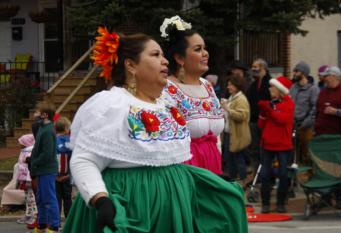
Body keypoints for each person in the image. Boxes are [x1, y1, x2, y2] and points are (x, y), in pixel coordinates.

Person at [62, 27, 247, 233]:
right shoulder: (112, 105)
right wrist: (99, 198)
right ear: (131, 65)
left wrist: (205, 178)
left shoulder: (166, 104)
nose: (165, 60)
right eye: (155, 54)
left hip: (173, 207)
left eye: (162, 54)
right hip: (134, 205)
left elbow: (167, 160)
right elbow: (84, 159)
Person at [160, 15, 224, 175]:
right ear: (180, 58)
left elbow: (217, 138)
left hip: (213, 168)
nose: (205, 53)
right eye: (198, 49)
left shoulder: (208, 86)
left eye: (204, 48)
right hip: (186, 170)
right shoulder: (166, 89)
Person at [312, 66, 341, 209]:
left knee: (336, 168)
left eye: (327, 76)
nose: (324, 78)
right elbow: (316, 111)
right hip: (321, 137)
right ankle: (325, 197)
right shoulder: (322, 93)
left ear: (334, 76)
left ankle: (339, 198)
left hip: (338, 138)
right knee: (322, 168)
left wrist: (336, 112)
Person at [257, 76, 294, 213]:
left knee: (283, 175)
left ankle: (280, 203)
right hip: (268, 145)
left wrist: (270, 110)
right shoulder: (270, 104)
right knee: (265, 175)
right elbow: (261, 125)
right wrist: (263, 113)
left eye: (272, 87)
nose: (269, 89)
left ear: (280, 90)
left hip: (283, 146)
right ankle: (265, 204)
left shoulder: (288, 103)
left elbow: (282, 119)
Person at [28, 101, 60, 233]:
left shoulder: (48, 131)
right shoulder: (42, 127)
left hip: (47, 169)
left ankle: (54, 226)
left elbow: (47, 154)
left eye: (38, 112)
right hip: (41, 169)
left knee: (49, 197)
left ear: (45, 115)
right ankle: (42, 224)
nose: (36, 114)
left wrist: (34, 162)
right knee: (41, 198)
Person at [220, 75, 251, 184]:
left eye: (231, 85)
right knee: (230, 159)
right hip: (230, 133)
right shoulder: (233, 97)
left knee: (238, 159)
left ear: (237, 86)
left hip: (237, 135)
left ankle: (242, 181)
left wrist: (227, 109)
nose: (228, 87)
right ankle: (233, 181)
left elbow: (242, 116)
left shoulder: (241, 99)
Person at [290, 61, 320, 165]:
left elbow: (315, 108)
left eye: (296, 71)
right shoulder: (293, 87)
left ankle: (310, 175)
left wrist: (306, 123)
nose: (294, 73)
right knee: (294, 154)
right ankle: (296, 177)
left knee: (307, 153)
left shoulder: (313, 89)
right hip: (293, 126)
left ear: (303, 73)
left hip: (306, 127)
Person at [246, 58, 271, 173]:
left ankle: (267, 173)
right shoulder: (253, 85)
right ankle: (257, 174)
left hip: (267, 122)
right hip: (253, 122)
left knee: (266, 149)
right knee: (254, 149)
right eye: (252, 66)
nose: (253, 69)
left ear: (263, 68)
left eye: (256, 66)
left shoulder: (271, 83)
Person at [16, 134, 38, 226]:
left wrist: (29, 179)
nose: (18, 144)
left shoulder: (29, 152)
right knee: (27, 198)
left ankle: (34, 216)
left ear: (26, 143)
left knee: (32, 198)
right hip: (24, 179)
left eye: (20, 142)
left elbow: (29, 166)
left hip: (29, 179)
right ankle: (28, 214)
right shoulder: (24, 151)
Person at [55, 117, 72, 219]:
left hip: (54, 176)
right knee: (67, 198)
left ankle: (56, 222)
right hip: (66, 175)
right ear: (66, 128)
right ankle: (68, 219)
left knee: (56, 198)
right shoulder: (70, 141)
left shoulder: (52, 140)